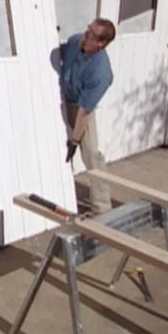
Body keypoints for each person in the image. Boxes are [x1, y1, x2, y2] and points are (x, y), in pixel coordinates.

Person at [60, 18, 116, 214]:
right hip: (59, 98)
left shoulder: (100, 72)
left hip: (79, 107)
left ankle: (102, 206)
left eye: (91, 34)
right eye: (87, 29)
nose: (85, 35)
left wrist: (75, 141)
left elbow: (84, 112)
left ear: (101, 43)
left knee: (91, 153)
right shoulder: (76, 42)